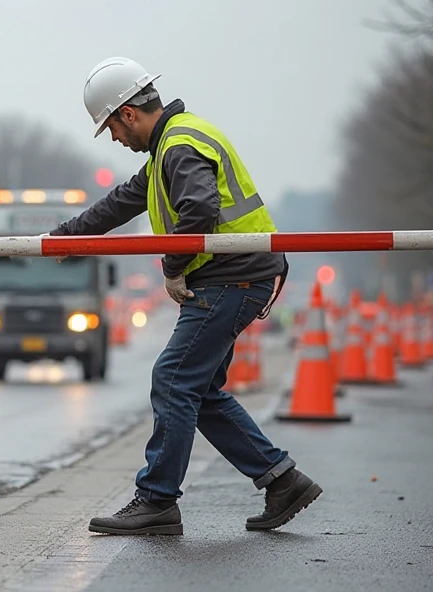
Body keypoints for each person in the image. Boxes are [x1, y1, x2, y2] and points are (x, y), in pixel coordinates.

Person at [49, 57, 322, 535]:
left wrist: (173, 268)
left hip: (231, 276)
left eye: (111, 127)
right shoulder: (172, 147)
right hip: (239, 275)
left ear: (129, 114)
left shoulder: (177, 148)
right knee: (198, 390)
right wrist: (65, 240)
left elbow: (198, 208)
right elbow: (121, 202)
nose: (114, 139)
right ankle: (282, 480)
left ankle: (156, 501)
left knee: (173, 380)